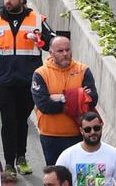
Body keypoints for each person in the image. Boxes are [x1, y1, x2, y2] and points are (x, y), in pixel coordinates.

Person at [0, 0, 45, 174]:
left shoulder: (36, 19)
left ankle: (22, 156)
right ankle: (10, 162)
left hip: (28, 81)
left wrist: (40, 38)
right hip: (5, 81)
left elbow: (52, 40)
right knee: (8, 122)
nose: (7, 2)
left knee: (22, 121)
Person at [31, 32, 96, 166]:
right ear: (51, 52)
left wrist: (59, 98)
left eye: (67, 50)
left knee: (81, 179)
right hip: (51, 136)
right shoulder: (40, 74)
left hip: (79, 135)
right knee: (56, 180)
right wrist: (77, 96)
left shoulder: (83, 70)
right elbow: (45, 106)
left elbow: (92, 100)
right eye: (60, 51)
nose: (65, 53)